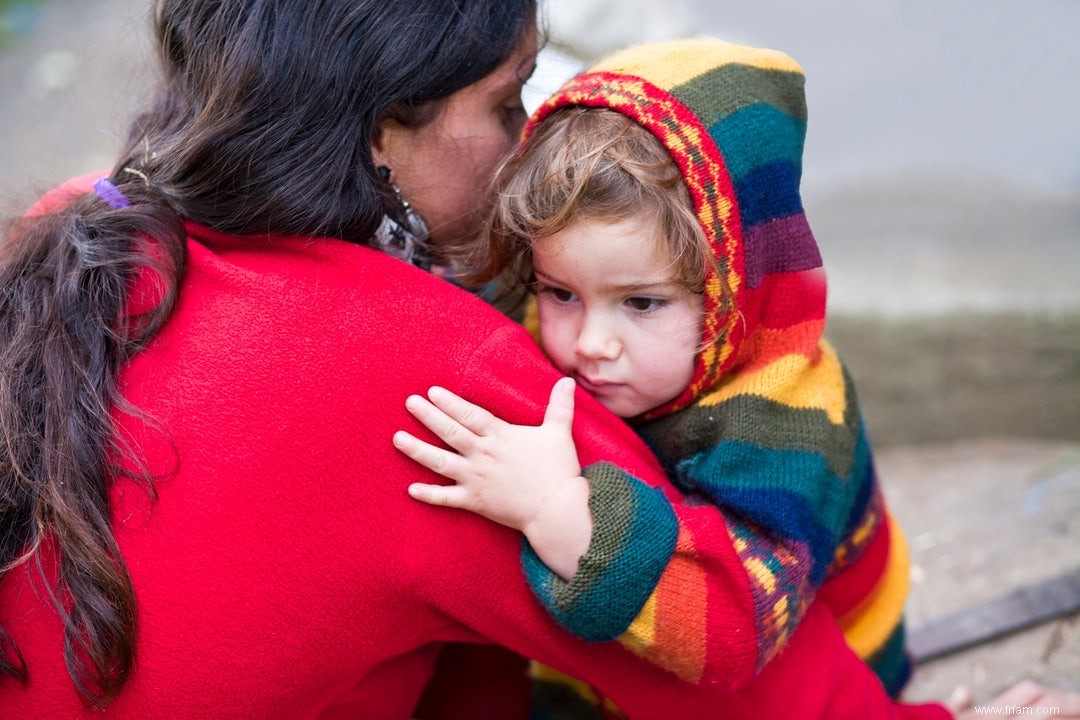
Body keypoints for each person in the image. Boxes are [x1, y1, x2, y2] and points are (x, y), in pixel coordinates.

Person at [0, 2, 959, 718]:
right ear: (379, 133)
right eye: (508, 103)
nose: (522, 149)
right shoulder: (425, 377)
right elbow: (727, 674)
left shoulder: (83, 227)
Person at [394, 38, 1080, 720]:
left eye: (642, 303)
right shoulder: (576, 343)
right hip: (622, 646)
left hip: (811, 662)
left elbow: (736, 629)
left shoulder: (788, 419)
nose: (591, 343)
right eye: (558, 290)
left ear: (732, 290)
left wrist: (556, 511)